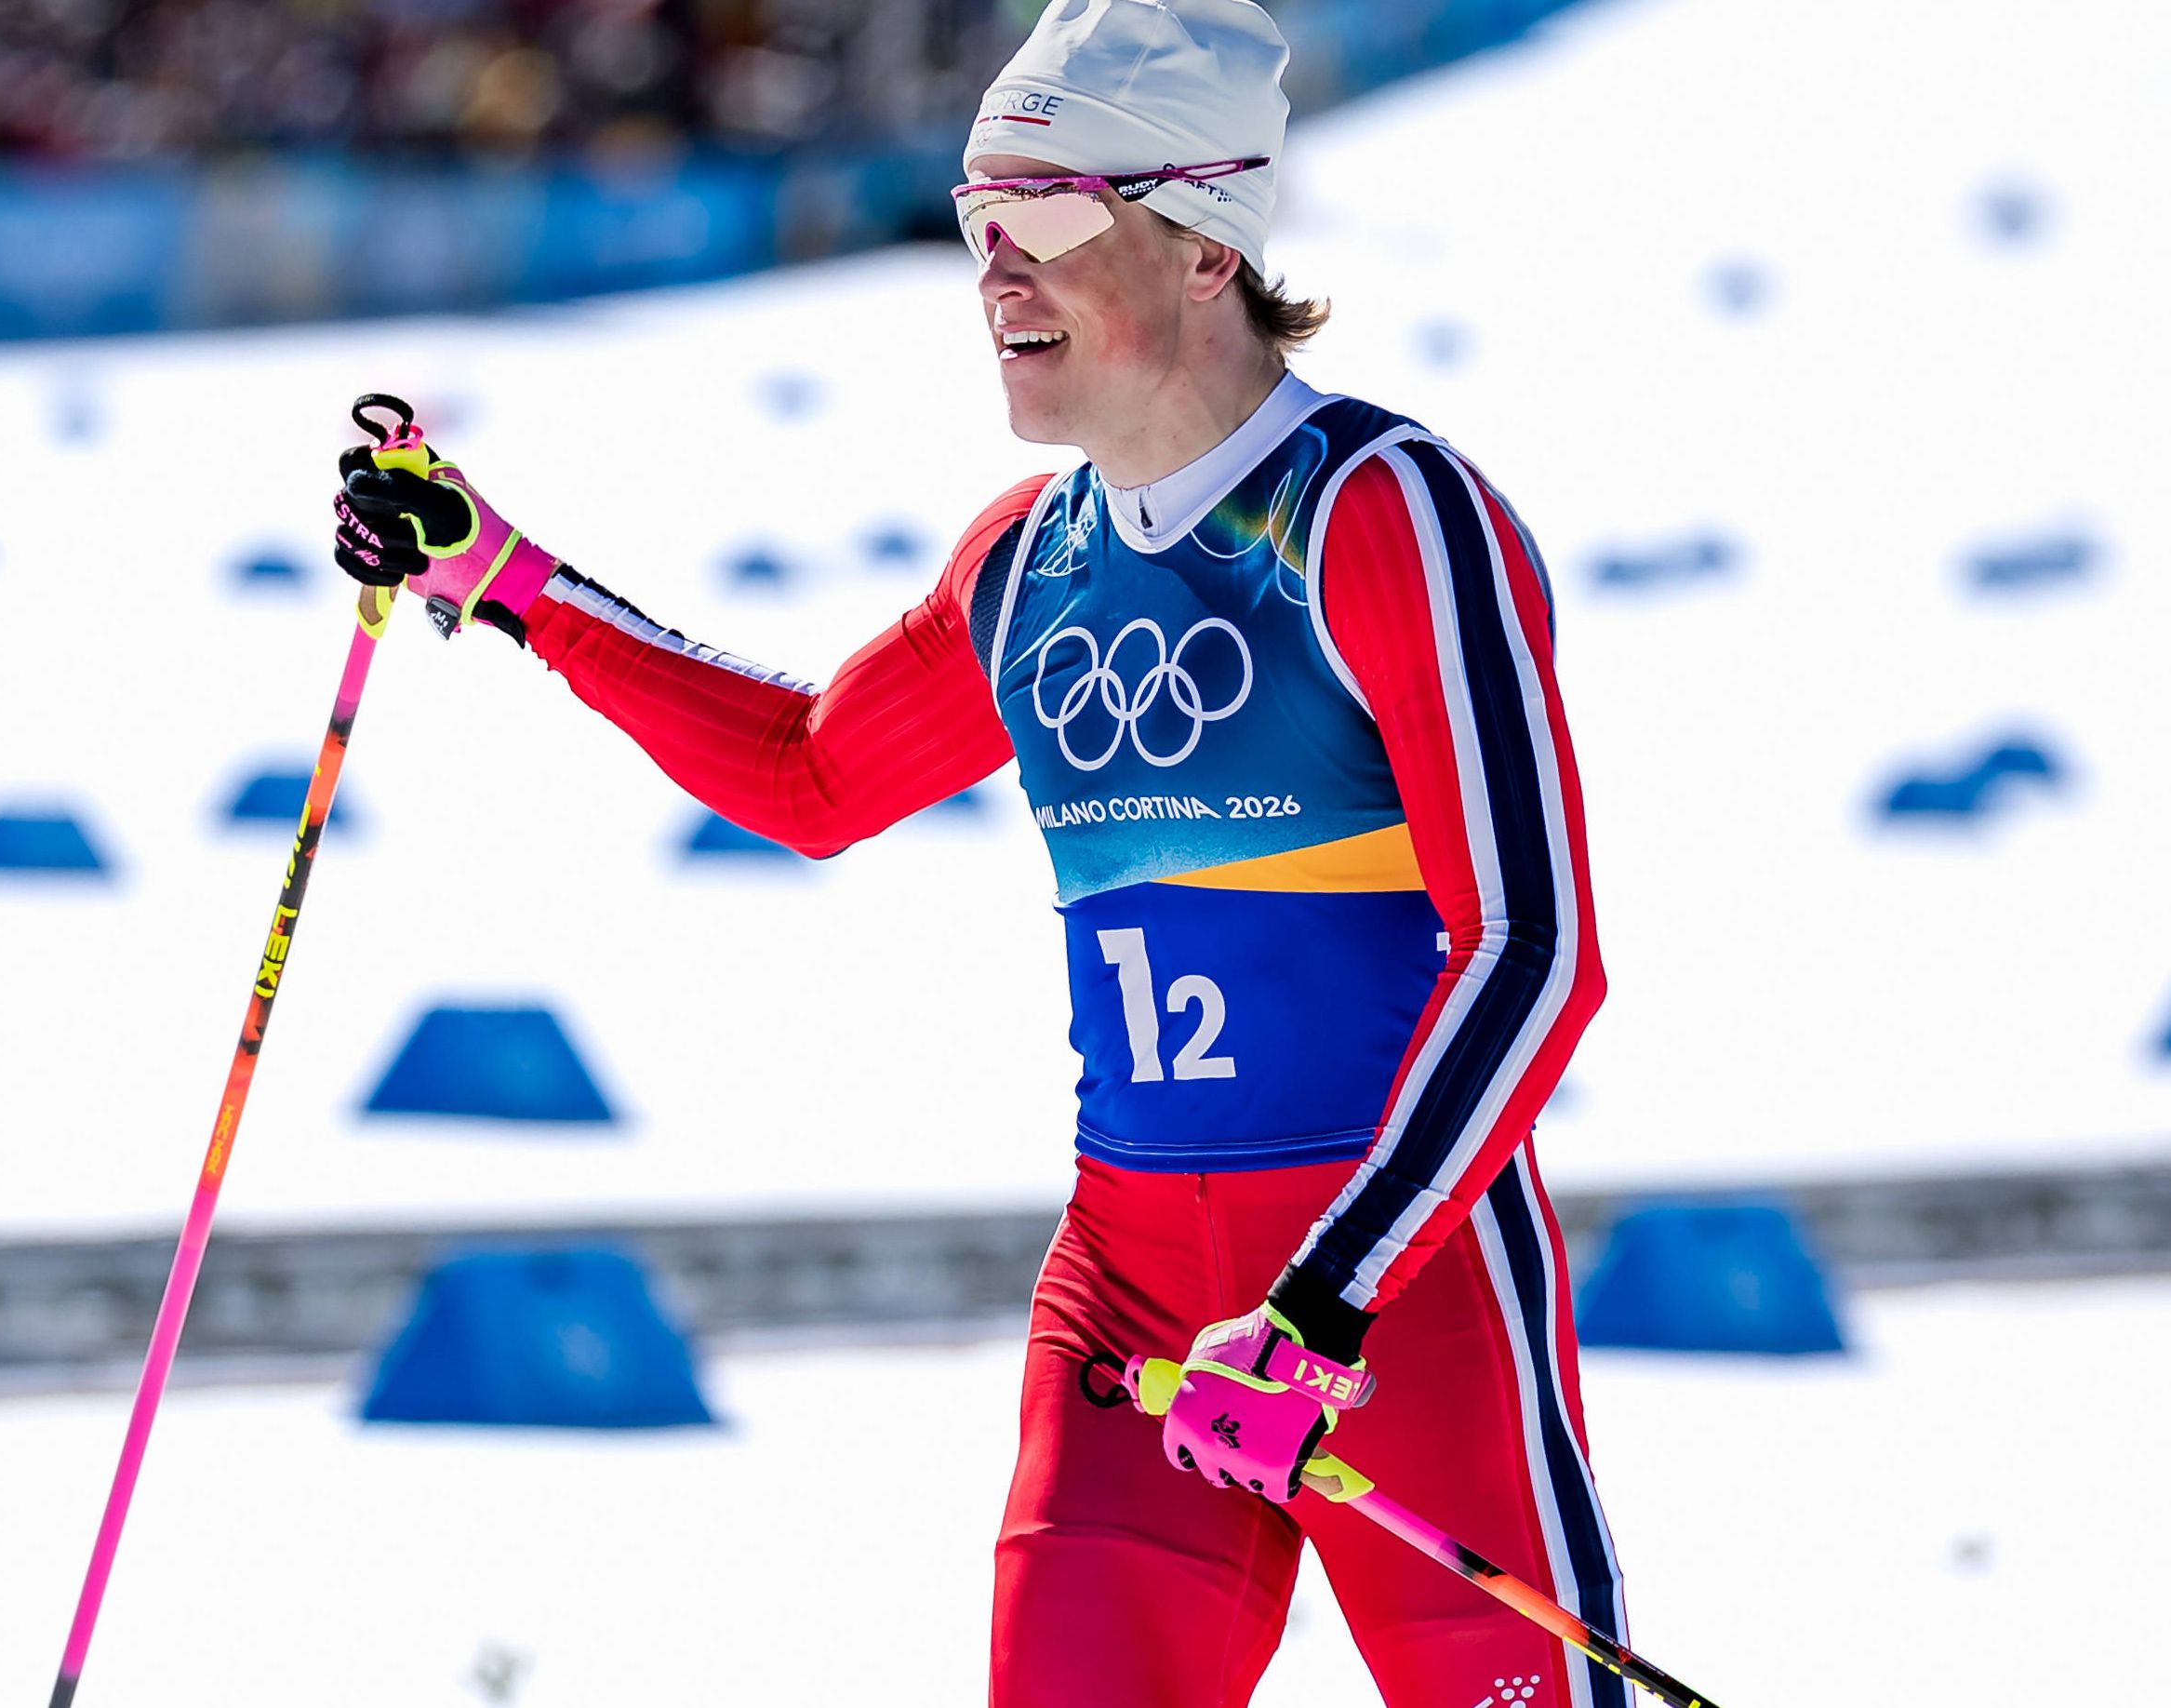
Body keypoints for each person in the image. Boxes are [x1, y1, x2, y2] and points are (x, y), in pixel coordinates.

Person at [334, 3, 1629, 1702]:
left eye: (1044, 222)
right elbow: (810, 776)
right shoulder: (1027, 562)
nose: (994, 275)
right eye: (974, 225)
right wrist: (508, 582)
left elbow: (1534, 950)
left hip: (1397, 1298)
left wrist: (1325, 1300)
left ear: (1204, 245)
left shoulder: (1376, 511)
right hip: (1129, 1299)